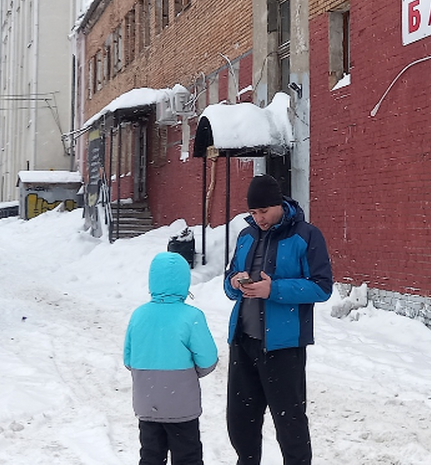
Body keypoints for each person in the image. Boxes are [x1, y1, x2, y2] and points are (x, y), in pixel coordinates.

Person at [224, 173, 333, 465]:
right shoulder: (246, 236)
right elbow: (227, 281)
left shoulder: (306, 235)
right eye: (253, 212)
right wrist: (234, 282)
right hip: (244, 340)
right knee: (240, 421)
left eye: (263, 211)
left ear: (279, 205)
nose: (258, 218)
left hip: (283, 345)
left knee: (290, 423)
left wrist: (274, 289)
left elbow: (322, 287)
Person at [124, 250, 219, 465]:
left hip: (147, 404)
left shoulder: (139, 315)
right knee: (187, 457)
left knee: (150, 455)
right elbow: (208, 359)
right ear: (184, 282)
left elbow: (128, 359)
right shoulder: (192, 316)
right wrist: (190, 373)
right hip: (181, 407)